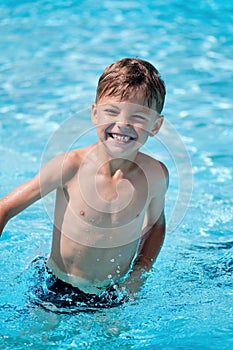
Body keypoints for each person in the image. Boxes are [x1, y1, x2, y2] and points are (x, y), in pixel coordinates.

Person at [0, 58, 168, 309]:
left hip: (112, 293)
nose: (122, 124)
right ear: (94, 113)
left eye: (139, 116)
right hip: (56, 286)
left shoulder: (155, 175)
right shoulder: (70, 167)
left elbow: (156, 226)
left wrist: (136, 277)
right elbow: (5, 208)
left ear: (155, 126)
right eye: (112, 111)